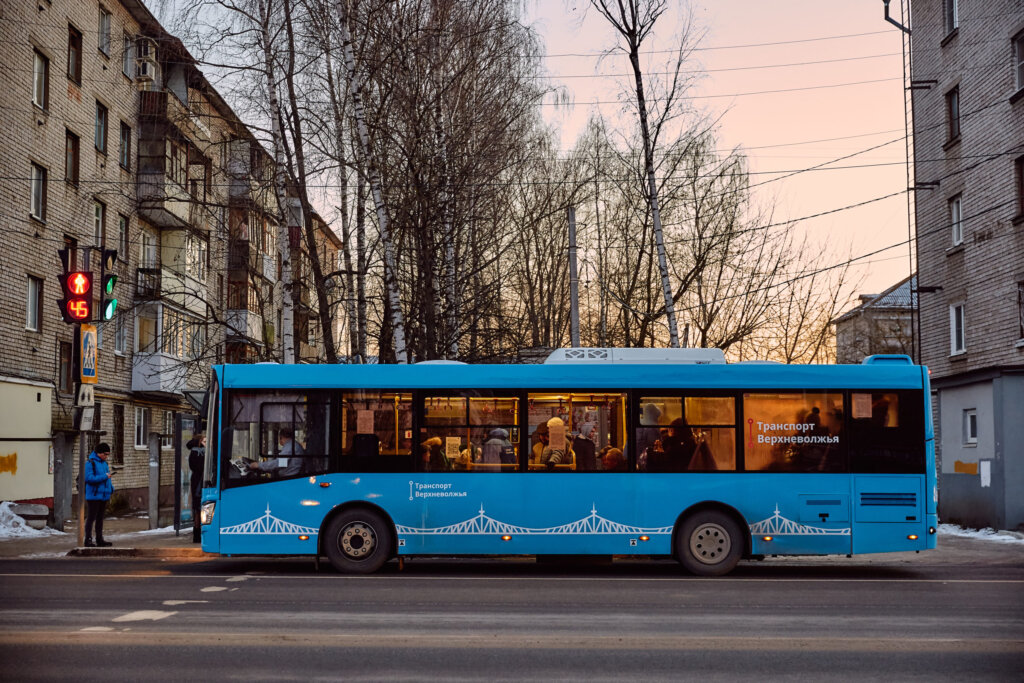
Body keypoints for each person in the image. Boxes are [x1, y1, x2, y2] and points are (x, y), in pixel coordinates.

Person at [84, 442, 114, 547]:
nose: (106, 456)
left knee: (100, 519)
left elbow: (108, 478)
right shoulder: (90, 463)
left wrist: (111, 488)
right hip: (94, 495)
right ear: (99, 453)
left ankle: (99, 539)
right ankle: (87, 539)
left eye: (108, 454)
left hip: (104, 495)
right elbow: (89, 479)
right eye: (105, 454)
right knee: (91, 518)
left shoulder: (104, 464)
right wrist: (105, 477)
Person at [187, 432, 205, 543]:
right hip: (199, 482)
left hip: (197, 481)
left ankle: (197, 533)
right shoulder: (199, 453)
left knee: (198, 508)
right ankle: (198, 534)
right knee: (199, 508)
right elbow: (199, 468)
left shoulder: (196, 453)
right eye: (204, 441)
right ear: (199, 442)